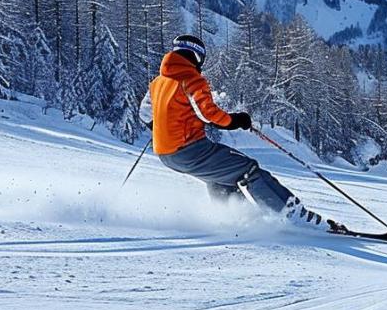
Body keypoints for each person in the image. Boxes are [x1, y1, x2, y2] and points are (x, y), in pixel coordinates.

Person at [140, 34, 339, 232]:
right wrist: (236, 120)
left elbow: (145, 114)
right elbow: (208, 114)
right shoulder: (192, 79)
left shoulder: (157, 82)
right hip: (190, 150)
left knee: (221, 175)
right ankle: (294, 216)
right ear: (198, 56)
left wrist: (163, 128)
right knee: (249, 169)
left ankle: (234, 216)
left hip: (166, 154)